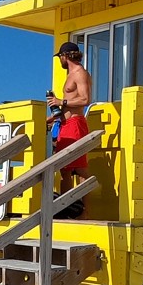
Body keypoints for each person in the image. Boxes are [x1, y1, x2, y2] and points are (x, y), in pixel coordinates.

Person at [47, 41, 93, 209]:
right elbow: (69, 103)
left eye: (60, 56)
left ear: (65, 56)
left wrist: (61, 101)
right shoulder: (70, 74)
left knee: (80, 169)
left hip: (76, 123)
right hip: (65, 123)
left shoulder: (80, 73)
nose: (59, 60)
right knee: (64, 169)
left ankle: (86, 211)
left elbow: (86, 99)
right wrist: (54, 116)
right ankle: (66, 209)